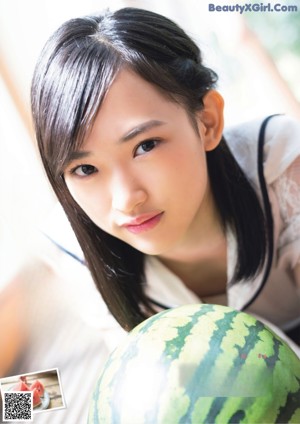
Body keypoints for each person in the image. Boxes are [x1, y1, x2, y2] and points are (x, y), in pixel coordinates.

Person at [31, 7, 300, 349]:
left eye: (145, 146)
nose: (126, 198)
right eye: (84, 169)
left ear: (207, 123)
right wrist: (16, 403)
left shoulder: (280, 167)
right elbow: (109, 384)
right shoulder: (72, 250)